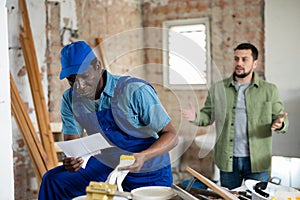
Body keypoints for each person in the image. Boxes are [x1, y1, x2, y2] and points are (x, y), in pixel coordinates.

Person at [38, 41, 178, 199]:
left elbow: (171, 136)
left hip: (148, 167)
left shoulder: (135, 91)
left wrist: (144, 156)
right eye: (72, 80)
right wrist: (71, 161)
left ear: (97, 66)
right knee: (54, 180)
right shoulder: (70, 99)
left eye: (85, 76)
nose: (80, 86)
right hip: (106, 163)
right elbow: (73, 146)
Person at [181, 43, 288, 190]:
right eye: (236, 59)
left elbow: (280, 118)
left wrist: (279, 124)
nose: (239, 63)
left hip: (257, 160)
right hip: (228, 160)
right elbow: (207, 115)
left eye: (245, 59)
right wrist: (196, 117)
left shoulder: (269, 90)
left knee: (257, 197)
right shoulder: (218, 88)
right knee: (229, 196)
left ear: (255, 63)